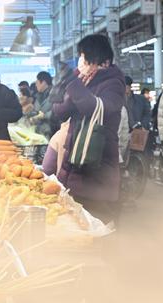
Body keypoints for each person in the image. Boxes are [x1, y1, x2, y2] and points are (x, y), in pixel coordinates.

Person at [42, 34, 125, 224]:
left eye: (85, 57)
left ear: (101, 60)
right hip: (74, 167)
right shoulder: (83, 80)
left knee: (97, 226)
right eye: (80, 56)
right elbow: (60, 112)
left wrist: (73, 84)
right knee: (76, 225)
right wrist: (66, 84)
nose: (81, 61)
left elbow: (94, 108)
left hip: (97, 171)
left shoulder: (114, 83)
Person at [28, 71, 55, 138]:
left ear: (43, 82)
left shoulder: (55, 95)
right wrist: (31, 115)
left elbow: (57, 112)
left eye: (37, 83)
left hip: (52, 132)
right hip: (40, 132)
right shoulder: (38, 96)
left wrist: (44, 116)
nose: (36, 85)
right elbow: (36, 111)